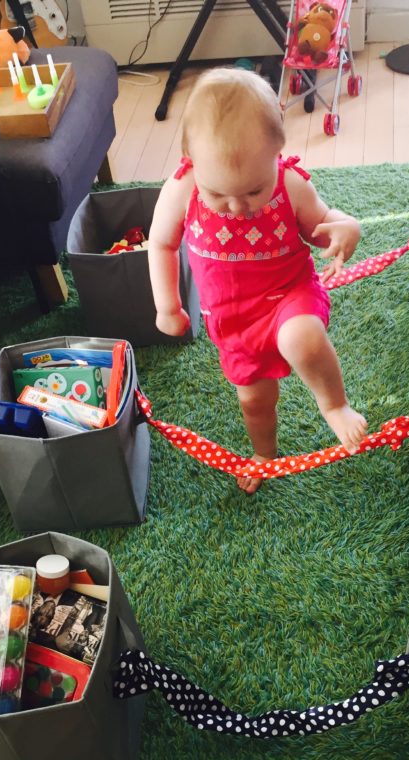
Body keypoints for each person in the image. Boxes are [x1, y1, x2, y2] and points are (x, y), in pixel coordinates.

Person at [148, 67, 368, 494]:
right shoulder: (182, 190)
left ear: (278, 153)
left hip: (290, 295)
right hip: (234, 323)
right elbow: (160, 244)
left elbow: (324, 222)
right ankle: (264, 453)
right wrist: (167, 306)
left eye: (253, 190)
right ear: (191, 161)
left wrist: (347, 227)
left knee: (300, 338)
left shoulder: (290, 186)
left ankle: (335, 405)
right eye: (219, 194)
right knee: (254, 401)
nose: (237, 207)